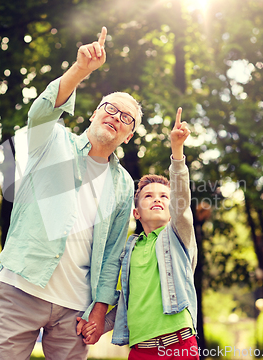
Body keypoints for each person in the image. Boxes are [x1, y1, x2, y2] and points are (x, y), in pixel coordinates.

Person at [0, 26, 142, 360]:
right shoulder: (53, 140)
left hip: (75, 309)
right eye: (110, 108)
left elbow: (113, 252)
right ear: (95, 112)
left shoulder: (124, 184)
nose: (116, 117)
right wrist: (81, 70)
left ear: (128, 136)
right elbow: (40, 112)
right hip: (21, 289)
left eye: (126, 118)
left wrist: (100, 309)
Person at [78, 107, 199, 360]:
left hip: (178, 345)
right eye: (148, 196)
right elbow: (129, 301)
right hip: (139, 350)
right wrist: (99, 325)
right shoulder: (130, 250)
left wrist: (177, 151)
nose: (157, 200)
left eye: (164, 197)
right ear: (136, 213)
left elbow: (182, 202)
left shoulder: (178, 237)